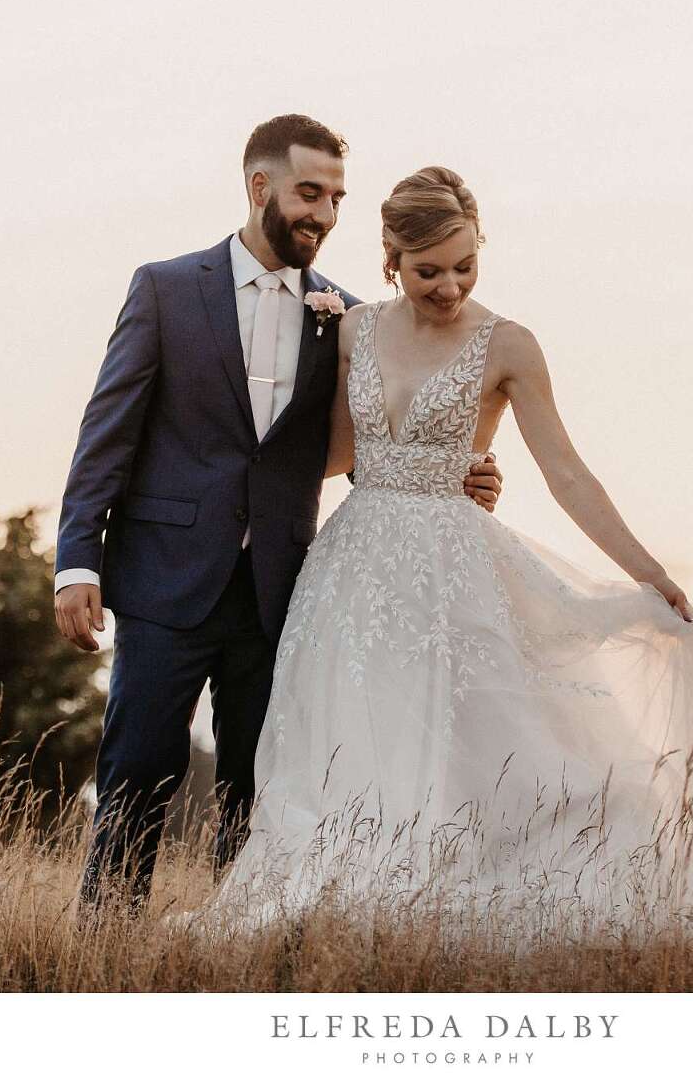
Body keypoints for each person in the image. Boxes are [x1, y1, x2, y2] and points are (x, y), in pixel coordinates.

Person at [202, 166, 693, 955]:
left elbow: (566, 471)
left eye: (466, 266)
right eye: (429, 270)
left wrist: (648, 571)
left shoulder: (509, 345)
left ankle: (444, 911)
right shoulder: (356, 332)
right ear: (390, 257)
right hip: (353, 574)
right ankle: (353, 921)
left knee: (469, 751)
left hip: (454, 572)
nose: (449, 286)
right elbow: (331, 455)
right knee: (353, 751)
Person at [54, 119, 504, 915]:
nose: (325, 213)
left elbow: (377, 449)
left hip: (284, 591)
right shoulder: (164, 288)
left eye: (336, 197)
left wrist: (463, 474)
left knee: (262, 782)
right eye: (309, 193)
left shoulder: (353, 319)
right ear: (260, 186)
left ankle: (239, 938)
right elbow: (107, 431)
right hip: (165, 579)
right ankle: (106, 941)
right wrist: (77, 561)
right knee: (137, 765)